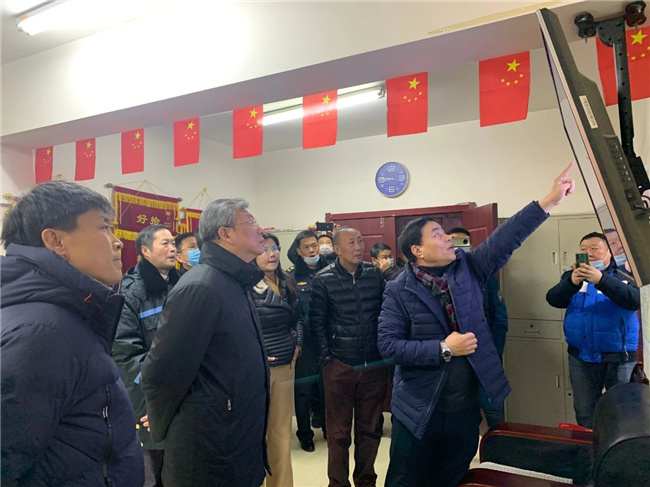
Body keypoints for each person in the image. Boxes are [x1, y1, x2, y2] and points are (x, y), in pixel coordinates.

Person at [378, 162, 576, 487]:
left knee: (453, 477)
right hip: (419, 410)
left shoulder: (469, 268)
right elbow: (389, 346)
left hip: (464, 407)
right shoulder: (398, 290)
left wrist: (549, 201)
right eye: (437, 234)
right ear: (418, 251)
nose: (448, 237)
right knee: (406, 479)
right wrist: (444, 348)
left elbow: (505, 238)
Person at [1, 181, 144, 486]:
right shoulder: (41, 333)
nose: (118, 242)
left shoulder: (69, 313)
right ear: (55, 241)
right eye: (104, 227)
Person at [141, 198, 270, 487]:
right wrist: (162, 422)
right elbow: (161, 371)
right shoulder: (202, 287)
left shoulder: (234, 281)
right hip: (209, 448)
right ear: (225, 233)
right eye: (251, 223)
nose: (260, 230)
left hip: (236, 437)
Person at [311, 226, 388, 487]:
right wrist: (327, 360)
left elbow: (385, 313)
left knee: (370, 430)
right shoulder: (323, 279)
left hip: (374, 365)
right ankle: (338, 483)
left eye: (360, 240)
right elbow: (317, 324)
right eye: (351, 242)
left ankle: (366, 481)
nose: (358, 246)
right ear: (336, 249)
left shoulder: (374, 274)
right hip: (340, 364)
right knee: (339, 433)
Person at [546, 231, 639, 428]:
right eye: (584, 249)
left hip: (619, 357)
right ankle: (589, 447)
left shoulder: (625, 274)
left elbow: (635, 301)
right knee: (585, 412)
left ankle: (616, 448)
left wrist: (601, 280)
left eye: (595, 249)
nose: (589, 253)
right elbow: (553, 299)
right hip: (581, 357)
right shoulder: (572, 277)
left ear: (609, 252)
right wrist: (571, 282)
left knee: (621, 413)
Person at [113, 224, 181, 486]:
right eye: (165, 243)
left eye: (173, 243)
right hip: (148, 394)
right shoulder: (132, 292)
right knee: (153, 468)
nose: (172, 248)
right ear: (145, 251)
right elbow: (125, 352)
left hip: (182, 390)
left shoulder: (182, 284)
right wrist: (159, 384)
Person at [250, 233, 303, 487]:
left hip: (285, 363)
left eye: (275, 248)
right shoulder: (246, 285)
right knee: (257, 432)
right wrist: (256, 352)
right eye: (264, 249)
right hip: (258, 368)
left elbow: (298, 318)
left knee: (281, 433)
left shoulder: (286, 281)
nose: (271, 254)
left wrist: (298, 342)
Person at [447, 227, 509, 427]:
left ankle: (498, 444)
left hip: (484, 353)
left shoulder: (483, 275)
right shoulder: (438, 277)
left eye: (463, 242)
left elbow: (499, 318)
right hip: (452, 358)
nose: (458, 247)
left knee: (493, 409)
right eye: (453, 241)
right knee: (460, 415)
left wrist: (494, 351)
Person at [288, 230, 329, 452]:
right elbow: (293, 314)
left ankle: (329, 428)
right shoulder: (292, 277)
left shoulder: (331, 270)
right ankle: (305, 434)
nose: (312, 250)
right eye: (307, 247)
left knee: (328, 388)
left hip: (329, 341)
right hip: (306, 343)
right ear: (298, 251)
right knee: (303, 391)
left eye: (314, 245)